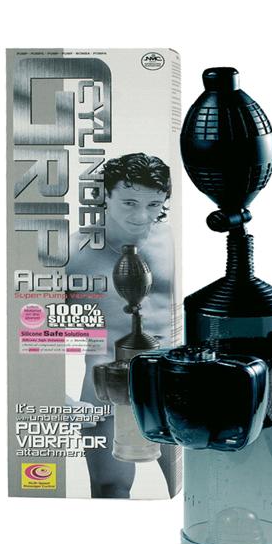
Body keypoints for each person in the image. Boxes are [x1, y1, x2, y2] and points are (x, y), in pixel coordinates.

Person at [67, 152, 175, 498]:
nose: (141, 216)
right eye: (129, 202)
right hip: (105, 389)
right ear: (105, 195)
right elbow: (28, 334)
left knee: (189, 485)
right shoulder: (72, 252)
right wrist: (58, 400)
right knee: (110, 489)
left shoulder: (172, 241)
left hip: (171, 384)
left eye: (153, 204)